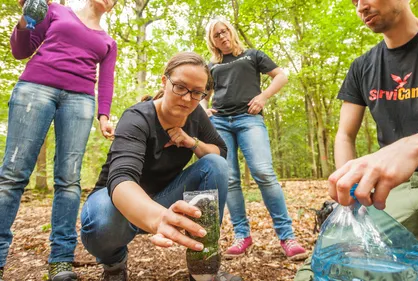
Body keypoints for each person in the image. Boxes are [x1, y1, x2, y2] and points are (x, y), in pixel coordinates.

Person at [295, 0, 418, 280]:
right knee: (335, 266)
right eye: (354, 1)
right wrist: (350, 187)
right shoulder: (362, 67)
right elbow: (344, 134)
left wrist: (413, 146)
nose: (360, 6)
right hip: (397, 191)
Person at [80, 52, 243, 281]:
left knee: (214, 164)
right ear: (165, 82)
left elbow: (220, 152)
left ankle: (203, 267)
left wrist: (191, 141)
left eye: (197, 92)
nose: (187, 98)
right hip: (118, 204)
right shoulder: (138, 117)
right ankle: (114, 264)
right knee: (104, 218)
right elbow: (122, 178)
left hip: (165, 199)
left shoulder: (196, 115)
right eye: (180, 87)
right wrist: (158, 218)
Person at [0, 0, 118, 280]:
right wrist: (26, 19)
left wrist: (104, 115)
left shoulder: (108, 41)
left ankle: (61, 260)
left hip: (80, 101)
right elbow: (21, 49)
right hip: (35, 89)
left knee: (69, 180)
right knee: (13, 174)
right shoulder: (54, 9)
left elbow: (106, 80)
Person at [203, 19, 308, 261]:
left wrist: (262, 98)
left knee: (263, 172)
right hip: (220, 123)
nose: (222, 37)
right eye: (216, 35)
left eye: (224, 31)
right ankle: (242, 236)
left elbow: (281, 76)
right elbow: (204, 94)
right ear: (212, 41)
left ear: (231, 31)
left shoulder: (252, 55)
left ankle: (287, 237)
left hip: (249, 120)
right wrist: (204, 109)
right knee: (229, 179)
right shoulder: (211, 65)